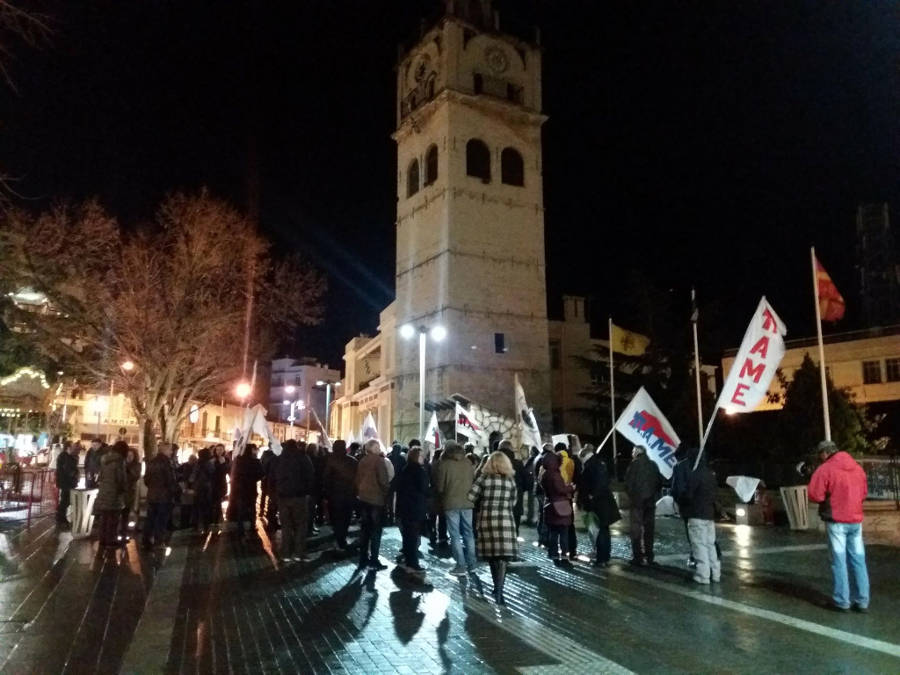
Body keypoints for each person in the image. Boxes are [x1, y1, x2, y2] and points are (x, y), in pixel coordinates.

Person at [808, 440, 870, 612]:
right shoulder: (857, 468)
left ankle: (842, 601)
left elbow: (815, 495)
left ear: (825, 453)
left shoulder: (825, 469)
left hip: (837, 521)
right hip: (855, 520)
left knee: (839, 560)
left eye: (820, 454)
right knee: (858, 560)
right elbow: (864, 492)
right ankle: (862, 601)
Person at [467, 451, 519, 605]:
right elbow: (514, 501)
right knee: (503, 557)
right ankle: (499, 590)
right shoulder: (510, 481)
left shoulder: (484, 479)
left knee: (492, 556)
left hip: (488, 520)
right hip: (505, 520)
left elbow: (471, 496)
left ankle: (497, 587)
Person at [435, 440, 477, 575]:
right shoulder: (468, 463)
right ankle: (472, 564)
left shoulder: (444, 464)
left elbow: (440, 487)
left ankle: (461, 566)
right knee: (469, 533)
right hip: (467, 502)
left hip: (451, 503)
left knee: (455, 535)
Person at [275, 439, 314, 562]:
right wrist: (307, 492)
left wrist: (275, 493)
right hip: (299, 497)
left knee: (286, 526)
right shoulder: (303, 458)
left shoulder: (278, 459)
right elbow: (310, 476)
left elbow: (272, 477)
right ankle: (299, 553)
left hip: (283, 497)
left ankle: (285, 553)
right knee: (300, 525)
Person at [579, 446, 619, 566]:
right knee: (604, 530)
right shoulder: (600, 463)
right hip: (605, 503)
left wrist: (590, 497)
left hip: (596, 504)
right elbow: (605, 482)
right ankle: (605, 556)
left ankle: (601, 559)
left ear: (583, 456)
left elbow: (586, 487)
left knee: (599, 531)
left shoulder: (589, 466)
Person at [684, 452, 720, 584]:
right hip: (709, 514)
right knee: (710, 544)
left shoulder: (695, 475)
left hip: (696, 514)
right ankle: (715, 573)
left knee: (699, 545)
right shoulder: (711, 475)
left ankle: (703, 575)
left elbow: (688, 495)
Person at [355, 439, 391, 571]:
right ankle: (374, 560)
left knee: (365, 529)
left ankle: (363, 557)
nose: (379, 448)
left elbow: (357, 479)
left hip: (364, 498)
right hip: (376, 500)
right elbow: (384, 481)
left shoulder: (362, 461)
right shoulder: (379, 461)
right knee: (376, 531)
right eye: (377, 446)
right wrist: (386, 492)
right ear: (373, 448)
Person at [624, 445, 662, 566]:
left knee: (636, 530)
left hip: (637, 503)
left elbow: (628, 484)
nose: (632, 454)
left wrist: (633, 496)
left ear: (637, 452)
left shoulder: (633, 465)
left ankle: (637, 556)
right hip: (650, 502)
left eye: (633, 451)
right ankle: (649, 556)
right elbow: (659, 482)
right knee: (649, 530)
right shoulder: (653, 465)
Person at [395, 446, 430, 573]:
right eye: (421, 456)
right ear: (416, 457)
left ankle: (409, 560)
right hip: (415, 508)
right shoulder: (419, 471)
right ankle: (413, 564)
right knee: (413, 537)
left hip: (405, 508)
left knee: (408, 536)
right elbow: (424, 489)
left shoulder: (405, 469)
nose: (423, 458)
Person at [323, 440, 358, 551]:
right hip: (348, 495)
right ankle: (342, 538)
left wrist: (326, 494)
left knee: (336, 518)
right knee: (346, 518)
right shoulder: (353, 461)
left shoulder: (330, 460)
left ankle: (339, 538)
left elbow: (326, 479)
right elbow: (357, 479)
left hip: (335, 495)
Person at [142, 442, 178, 550]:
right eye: (170, 450)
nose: (171, 452)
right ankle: (158, 541)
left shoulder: (152, 462)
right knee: (161, 520)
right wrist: (175, 491)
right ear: (165, 450)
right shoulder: (166, 463)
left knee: (150, 519)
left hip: (152, 495)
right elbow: (170, 480)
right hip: (164, 496)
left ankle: (146, 541)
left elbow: (146, 480)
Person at [540, 452, 574, 563]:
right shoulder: (555, 474)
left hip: (550, 504)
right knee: (563, 532)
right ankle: (564, 554)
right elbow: (560, 489)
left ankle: (553, 553)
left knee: (553, 532)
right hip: (560, 505)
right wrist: (570, 488)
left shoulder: (545, 474)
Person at [95, 441, 127, 547]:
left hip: (104, 491)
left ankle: (102, 539)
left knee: (104, 517)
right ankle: (111, 539)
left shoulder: (104, 459)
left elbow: (101, 476)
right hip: (114, 492)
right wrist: (123, 489)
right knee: (113, 518)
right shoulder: (119, 461)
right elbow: (120, 479)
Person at [230, 444, 264, 537]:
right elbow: (261, 474)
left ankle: (240, 528)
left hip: (240, 488)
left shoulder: (238, 461)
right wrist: (254, 478)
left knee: (241, 508)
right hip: (251, 488)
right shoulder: (255, 461)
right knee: (252, 507)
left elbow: (233, 473)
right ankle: (252, 526)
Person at [55, 442, 79, 529]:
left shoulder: (69, 456)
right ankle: (60, 518)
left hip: (68, 482)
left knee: (66, 500)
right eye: (73, 446)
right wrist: (74, 474)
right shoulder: (64, 456)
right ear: (68, 447)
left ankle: (61, 518)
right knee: (65, 501)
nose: (74, 448)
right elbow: (67, 469)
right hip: (65, 482)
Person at [121, 446, 142, 538]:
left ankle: (128, 528)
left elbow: (135, 476)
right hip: (123, 491)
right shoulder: (122, 465)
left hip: (131, 491)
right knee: (122, 511)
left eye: (131, 456)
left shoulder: (137, 465)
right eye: (127, 455)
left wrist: (128, 469)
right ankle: (122, 529)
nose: (129, 457)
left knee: (129, 510)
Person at [210, 444, 230, 527]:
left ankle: (216, 520)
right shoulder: (212, 459)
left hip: (221, 483)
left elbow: (227, 471)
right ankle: (215, 519)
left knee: (218, 501)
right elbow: (210, 471)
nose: (219, 451)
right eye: (217, 449)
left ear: (223, 450)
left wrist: (223, 463)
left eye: (221, 449)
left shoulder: (226, 459)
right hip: (213, 483)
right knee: (214, 502)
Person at [522, 446, 539, 525]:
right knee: (532, 502)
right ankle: (532, 518)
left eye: (530, 450)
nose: (529, 452)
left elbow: (527, 470)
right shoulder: (537, 459)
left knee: (532, 502)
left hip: (531, 483)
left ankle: (531, 519)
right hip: (533, 483)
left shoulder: (532, 460)